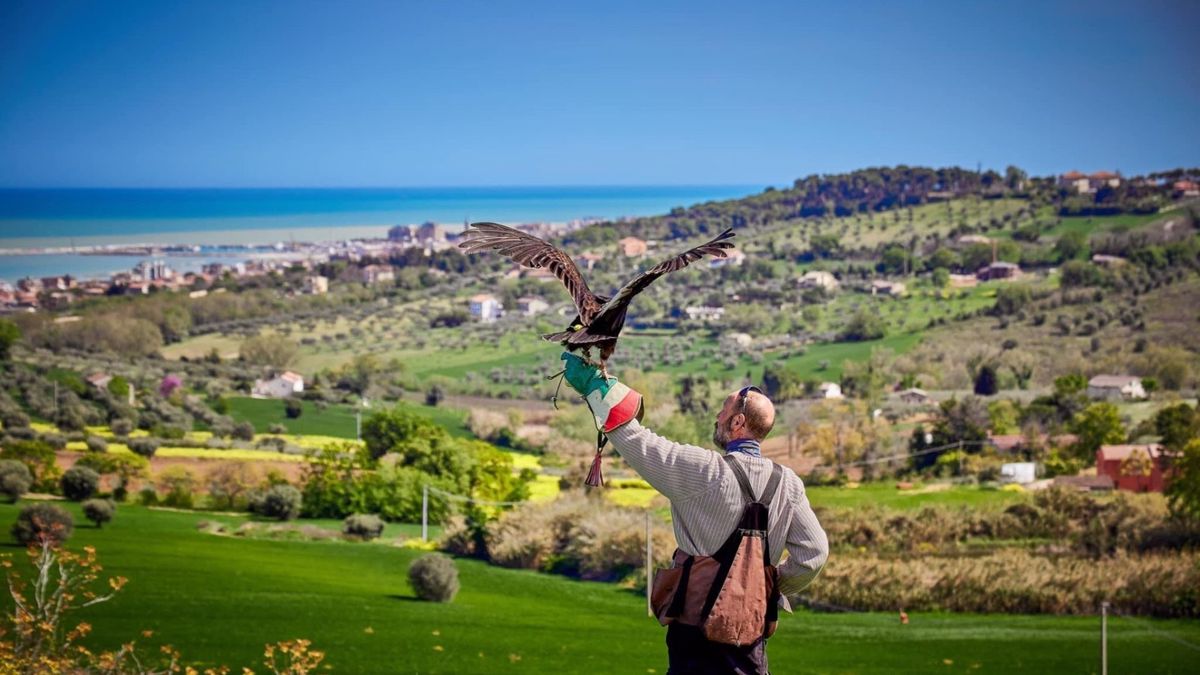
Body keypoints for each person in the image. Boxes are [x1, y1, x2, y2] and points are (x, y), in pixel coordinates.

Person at [561, 352, 828, 675]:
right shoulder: (790, 484)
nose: (717, 415)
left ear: (738, 422)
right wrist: (762, 587)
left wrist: (595, 387)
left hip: (694, 636)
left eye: (723, 410)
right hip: (751, 637)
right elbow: (814, 553)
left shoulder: (706, 470)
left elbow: (637, 440)